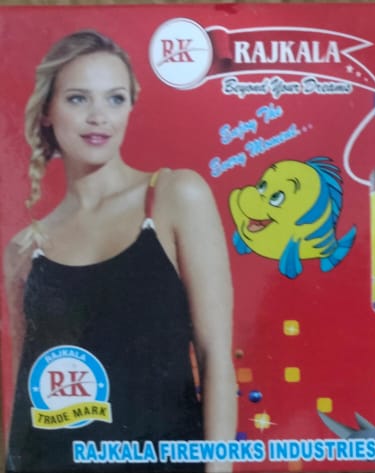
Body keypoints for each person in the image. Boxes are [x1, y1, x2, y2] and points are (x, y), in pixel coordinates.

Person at [2, 30, 237, 472]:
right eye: (78, 99)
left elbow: (216, 359)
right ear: (48, 111)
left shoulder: (173, 196)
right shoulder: (24, 249)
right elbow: (21, 390)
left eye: (115, 99)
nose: (99, 117)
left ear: (131, 106)